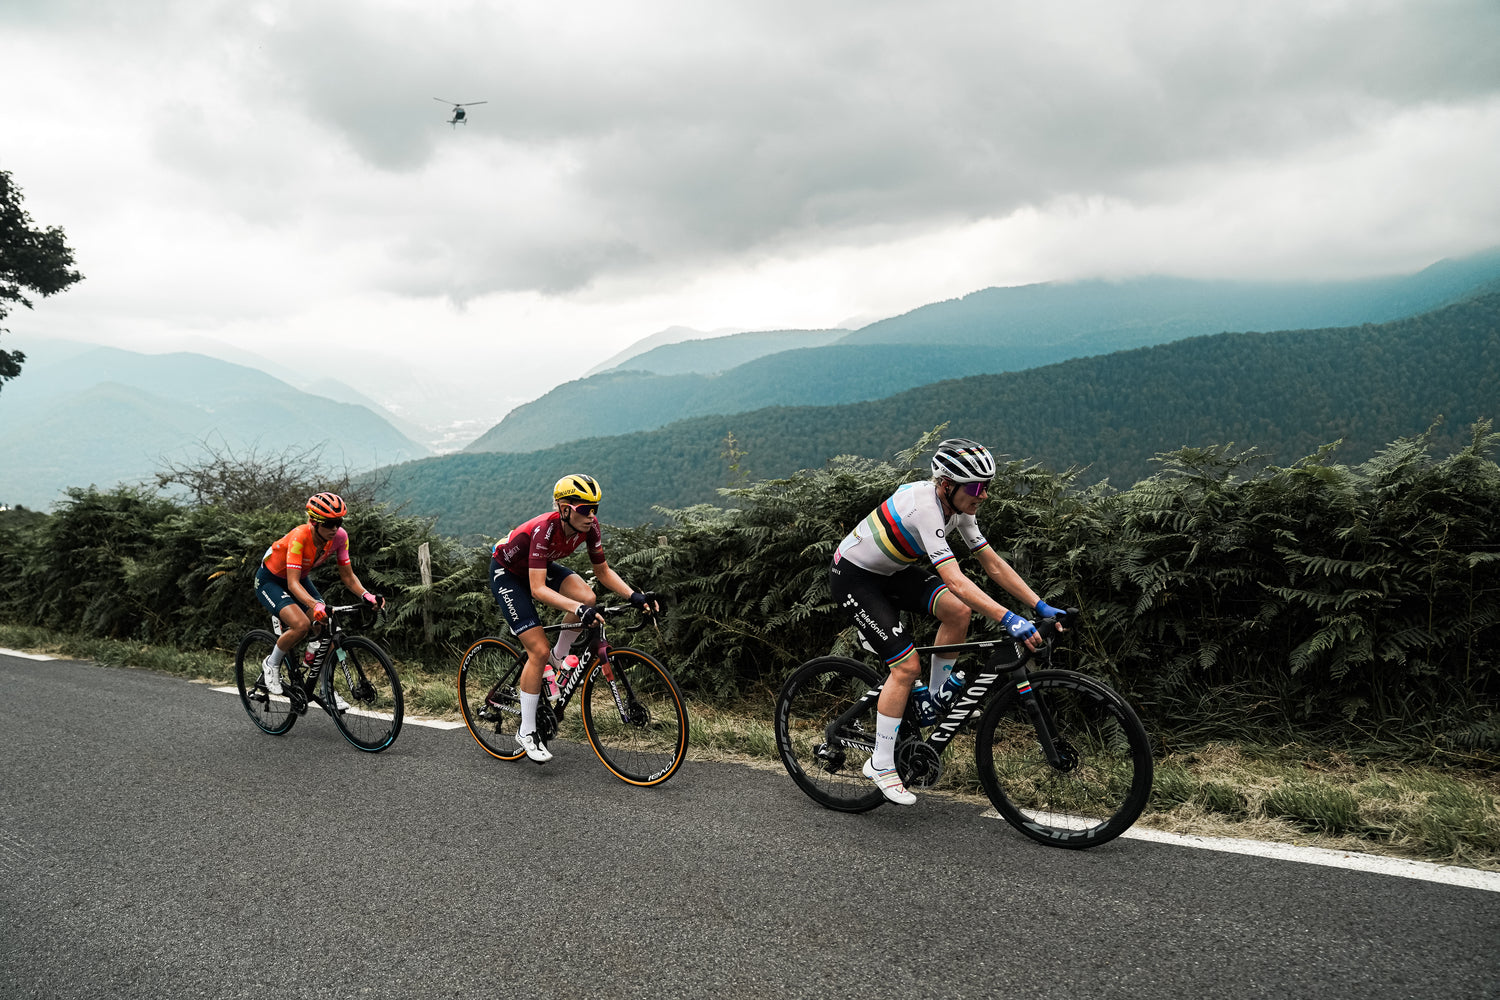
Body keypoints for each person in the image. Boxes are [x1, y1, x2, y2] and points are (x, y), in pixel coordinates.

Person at [829, 438, 1064, 805]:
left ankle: (934, 700)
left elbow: (991, 562)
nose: (983, 495)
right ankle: (881, 762)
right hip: (854, 578)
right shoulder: (925, 506)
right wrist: (1008, 617)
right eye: (975, 487)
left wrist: (1039, 603)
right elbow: (955, 579)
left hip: (891, 572)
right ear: (946, 484)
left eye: (987, 486)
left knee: (958, 611)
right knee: (906, 668)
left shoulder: (960, 508)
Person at [489, 474, 661, 763]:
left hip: (537, 566)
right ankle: (527, 731)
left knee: (588, 597)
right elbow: (537, 588)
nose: (591, 516)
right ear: (565, 509)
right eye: (585, 509)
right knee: (537, 650)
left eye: (596, 508)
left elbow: (603, 573)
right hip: (507, 573)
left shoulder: (589, 529)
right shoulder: (545, 529)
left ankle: (559, 656)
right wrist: (579, 611)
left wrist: (635, 596)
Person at [254, 492, 384, 700]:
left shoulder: (340, 537)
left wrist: (366, 595)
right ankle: (271, 663)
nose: (335, 528)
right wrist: (315, 605)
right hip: (271, 581)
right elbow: (292, 583)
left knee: (327, 627)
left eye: (338, 522)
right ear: (314, 522)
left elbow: (348, 577)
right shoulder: (299, 537)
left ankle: (325, 689)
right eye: (329, 523)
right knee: (301, 625)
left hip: (299, 578)